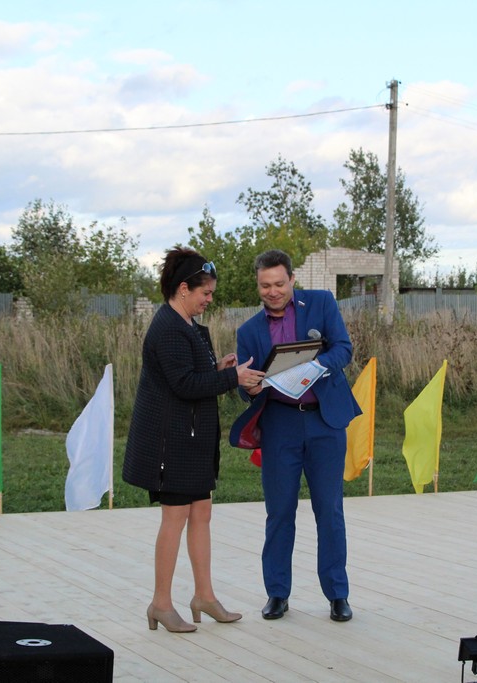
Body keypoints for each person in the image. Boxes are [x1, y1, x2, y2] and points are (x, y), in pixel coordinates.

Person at [123, 247, 264, 633]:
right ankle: (160, 603)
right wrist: (233, 378)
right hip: (172, 443)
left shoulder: (187, 325)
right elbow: (184, 385)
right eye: (206, 292)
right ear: (183, 288)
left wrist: (219, 369)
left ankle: (204, 596)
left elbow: (191, 375)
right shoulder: (168, 328)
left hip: (193, 440)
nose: (209, 299)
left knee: (202, 513)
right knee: (175, 518)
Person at [230, 249, 361, 622]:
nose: (272, 292)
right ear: (258, 285)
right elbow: (245, 386)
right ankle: (277, 593)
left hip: (324, 423)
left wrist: (316, 366)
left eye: (279, 283)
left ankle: (337, 595)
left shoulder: (321, 303)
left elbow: (344, 349)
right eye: (265, 286)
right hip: (280, 425)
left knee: (329, 511)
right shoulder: (248, 331)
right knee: (279, 512)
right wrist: (248, 387)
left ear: (292, 279)